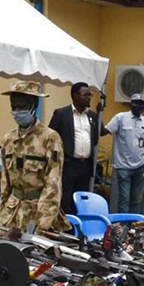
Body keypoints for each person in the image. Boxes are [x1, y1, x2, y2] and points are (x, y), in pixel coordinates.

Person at [0, 81, 69, 232]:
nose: (16, 111)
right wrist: (1, 212)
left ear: (34, 106)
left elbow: (53, 183)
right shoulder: (8, 139)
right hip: (12, 213)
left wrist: (42, 222)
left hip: (38, 212)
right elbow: (5, 182)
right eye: (13, 107)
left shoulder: (49, 138)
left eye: (21, 107)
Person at [49, 82, 100, 214]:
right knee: (65, 199)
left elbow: (95, 138)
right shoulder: (62, 114)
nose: (89, 98)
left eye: (90, 95)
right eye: (85, 95)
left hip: (85, 165)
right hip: (68, 164)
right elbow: (50, 137)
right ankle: (65, 224)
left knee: (82, 201)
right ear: (75, 96)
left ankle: (79, 224)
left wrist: (100, 113)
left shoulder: (92, 116)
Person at [102, 93, 144, 214]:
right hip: (123, 166)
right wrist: (99, 113)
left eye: (141, 104)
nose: (139, 106)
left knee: (136, 199)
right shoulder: (120, 117)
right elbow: (105, 131)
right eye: (136, 103)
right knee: (124, 199)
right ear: (131, 104)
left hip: (140, 166)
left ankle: (134, 223)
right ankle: (124, 224)